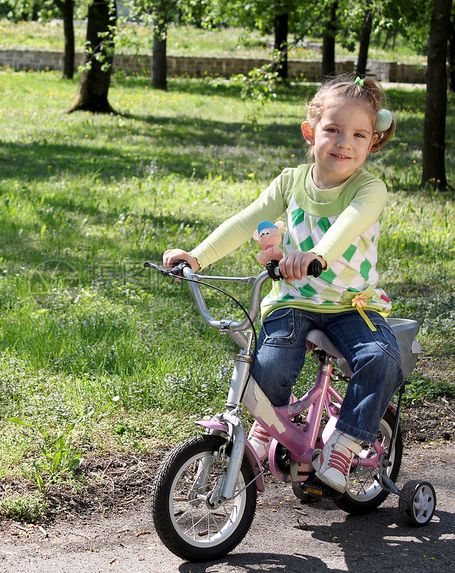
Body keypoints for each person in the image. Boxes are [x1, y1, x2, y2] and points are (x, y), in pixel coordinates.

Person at [162, 75, 402, 494]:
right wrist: (196, 256)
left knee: (382, 358)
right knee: (268, 370)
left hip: (351, 304)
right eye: (333, 130)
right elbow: (246, 220)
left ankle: (345, 442)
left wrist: (317, 256)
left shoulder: (369, 188)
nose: (344, 142)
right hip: (293, 299)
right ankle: (267, 427)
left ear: (372, 142)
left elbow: (349, 225)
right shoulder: (291, 182)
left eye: (358, 134)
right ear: (311, 133)